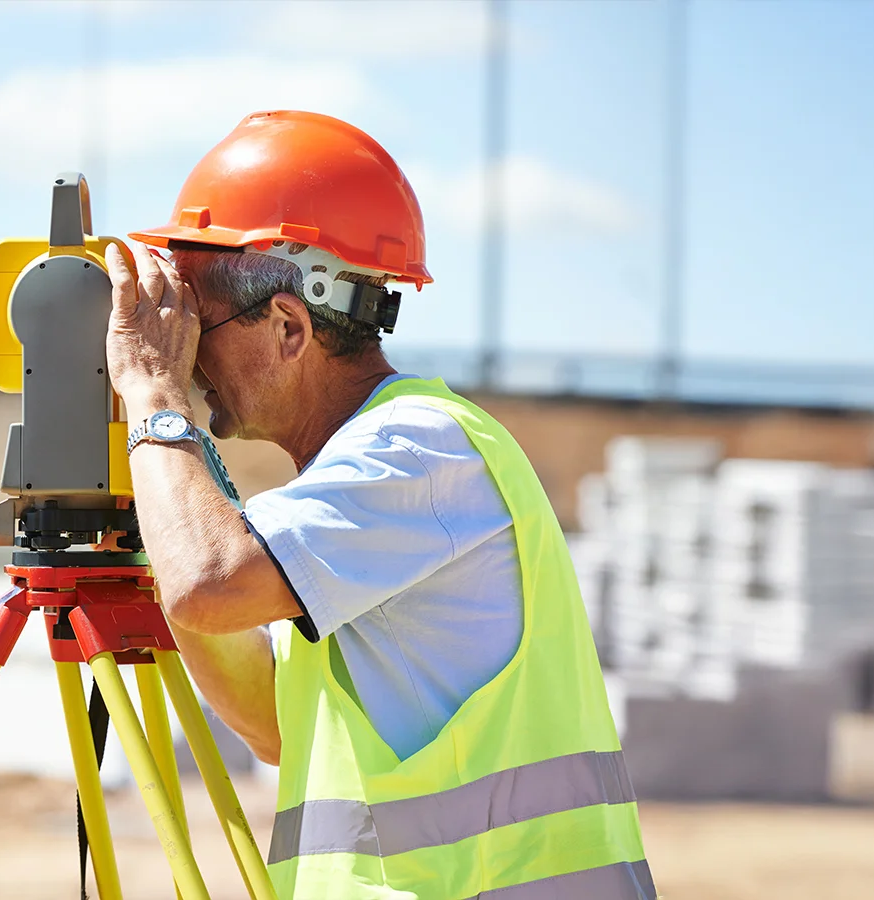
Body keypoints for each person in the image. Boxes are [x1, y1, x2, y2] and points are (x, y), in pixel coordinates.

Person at [103, 110, 656, 899]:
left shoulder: (420, 452)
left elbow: (208, 581)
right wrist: (165, 506)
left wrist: (152, 395)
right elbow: (271, 724)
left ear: (289, 328)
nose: (185, 357)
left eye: (200, 325)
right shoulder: (341, 500)